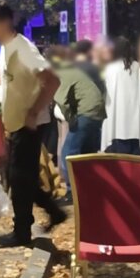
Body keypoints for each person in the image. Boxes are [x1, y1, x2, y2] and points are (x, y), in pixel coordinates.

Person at [0, 0, 67, 247]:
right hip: (17, 124)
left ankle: (22, 231)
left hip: (29, 125)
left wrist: (33, 112)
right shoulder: (6, 48)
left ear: (5, 22)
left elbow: (52, 80)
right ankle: (52, 212)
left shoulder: (23, 49)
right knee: (21, 177)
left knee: (19, 179)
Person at [51, 49, 106, 196]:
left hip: (86, 112)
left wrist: (70, 119)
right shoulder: (75, 70)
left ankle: (72, 192)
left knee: (68, 153)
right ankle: (89, 189)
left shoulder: (64, 73)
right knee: (87, 154)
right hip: (97, 112)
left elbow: (61, 100)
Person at [101, 37, 140, 155]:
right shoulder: (137, 67)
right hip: (135, 124)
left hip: (116, 123)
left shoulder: (110, 68)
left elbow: (107, 94)